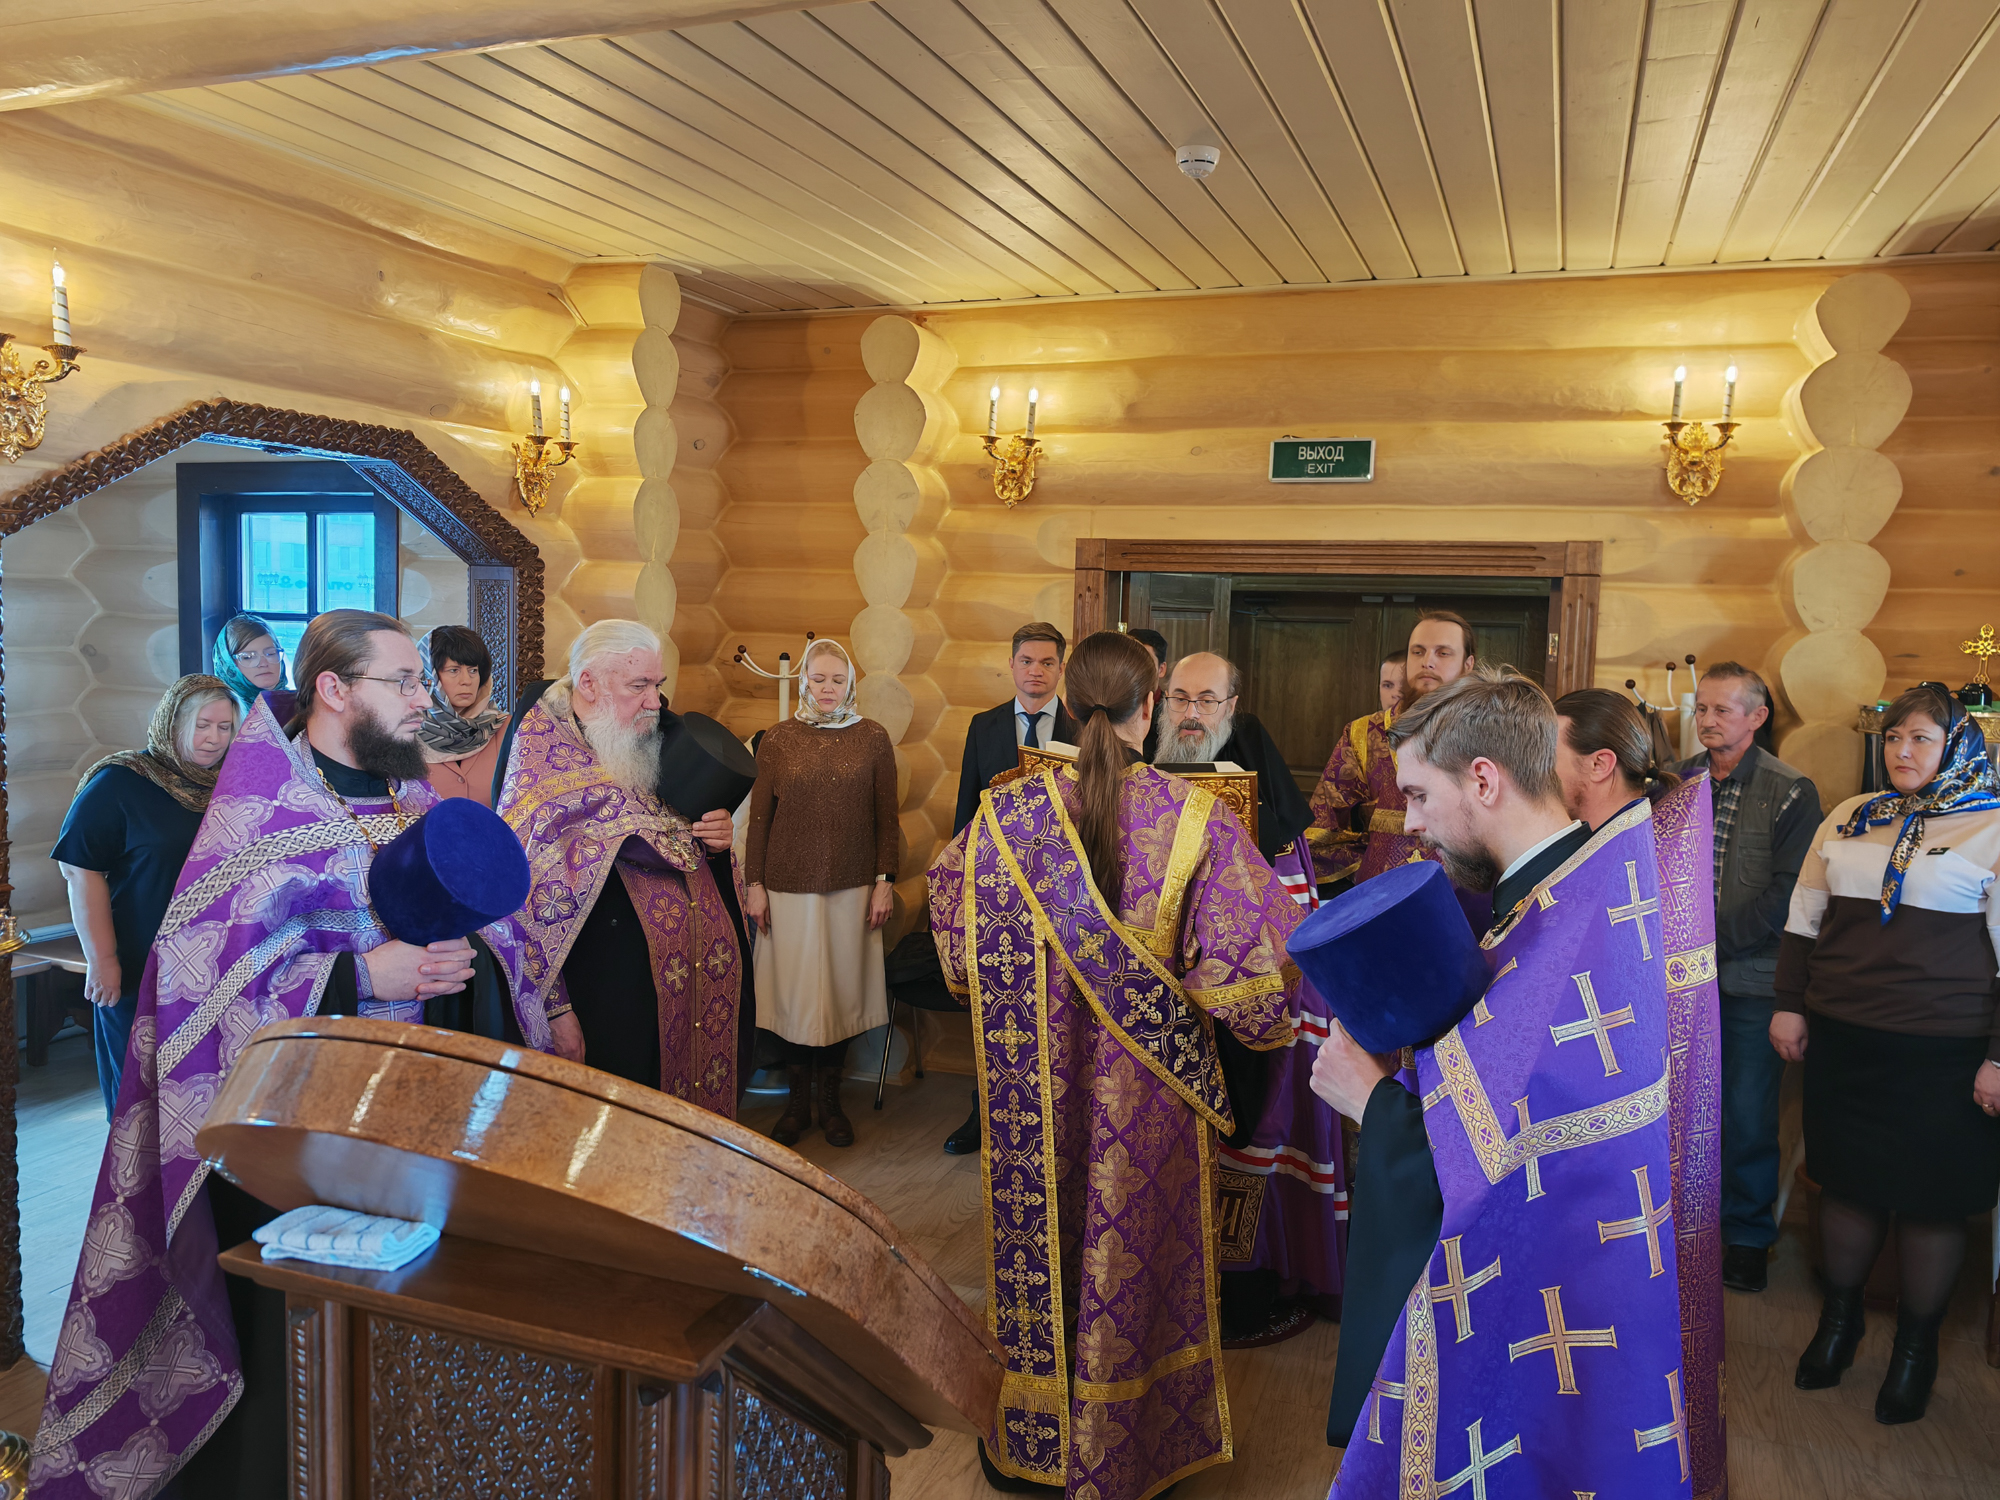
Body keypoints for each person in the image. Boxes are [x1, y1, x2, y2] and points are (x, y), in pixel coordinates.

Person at [32, 610, 550, 1499]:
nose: (425, 700)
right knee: (294, 1355)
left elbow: (486, 930)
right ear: (334, 689)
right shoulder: (260, 810)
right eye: (405, 681)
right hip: (287, 1137)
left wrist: (465, 963)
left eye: (424, 681)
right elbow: (199, 980)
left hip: (413, 1120)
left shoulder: (411, 797)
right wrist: (359, 976)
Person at [929, 631, 1303, 1499]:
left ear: (1069, 701)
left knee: (1038, 1250)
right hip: (1149, 1101)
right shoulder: (1194, 819)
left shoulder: (1003, 814)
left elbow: (955, 948)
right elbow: (1257, 980)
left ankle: (1036, 1439)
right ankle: (1128, 1444)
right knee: (1132, 1258)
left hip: (1027, 1095)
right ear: (1151, 706)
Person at [1312, 668, 1689, 1498]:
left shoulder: (1575, 929)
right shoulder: (1565, 892)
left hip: (1560, 1302)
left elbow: (1512, 1171)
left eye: (1418, 794)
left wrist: (1369, 1099)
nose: (1410, 824)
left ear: (1483, 779)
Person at [1774, 686, 2000, 1424]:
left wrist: (1999, 1058)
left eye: (1921, 739)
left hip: (1945, 1051)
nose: (1902, 751)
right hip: (1846, 1039)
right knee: (1845, 1185)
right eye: (1894, 737)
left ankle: (1914, 1351)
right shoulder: (1851, 814)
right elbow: (1804, 918)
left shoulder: (1993, 825)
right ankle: (1838, 1326)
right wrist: (1789, 1002)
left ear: (1957, 746)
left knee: (1931, 1202)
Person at [1557, 686, 1725, 1497]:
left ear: (1599, 764)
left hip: (1630, 1124)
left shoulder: (1639, 852)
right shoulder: (1608, 838)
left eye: (1547, 750)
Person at [1156, 651, 1341, 1343]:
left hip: (1243, 1018)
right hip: (1161, 1016)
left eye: (1206, 699)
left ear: (1232, 707)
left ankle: (1243, 1291)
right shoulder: (1142, 789)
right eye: (1179, 698)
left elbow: (1288, 932)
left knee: (1248, 1139)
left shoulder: (1265, 812)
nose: (1191, 713)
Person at [500, 618, 745, 1111]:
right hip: (608, 998)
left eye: (658, 684)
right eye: (639, 686)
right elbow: (517, 907)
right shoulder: (540, 763)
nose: (655, 702)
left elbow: (689, 840)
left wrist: (717, 841)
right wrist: (555, 1011)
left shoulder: (655, 738)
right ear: (589, 683)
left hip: (691, 992)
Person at [1676, 661, 1816, 1293]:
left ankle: (1747, 1237)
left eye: (1722, 710)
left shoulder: (1791, 791)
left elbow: (1790, 895)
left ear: (1757, 717)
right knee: (1681, 1107)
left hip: (1752, 980)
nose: (1707, 720)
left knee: (1746, 1113)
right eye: (1701, 709)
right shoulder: (1678, 782)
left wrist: (1711, 942)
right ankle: (1682, 1227)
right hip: (1680, 980)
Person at [54, 675, 237, 1118]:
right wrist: (103, 960)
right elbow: (79, 869)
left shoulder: (231, 783)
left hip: (214, 961)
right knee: (140, 1096)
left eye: (225, 727)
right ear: (173, 723)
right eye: (202, 725)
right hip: (140, 962)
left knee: (204, 1093)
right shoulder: (121, 781)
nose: (214, 739)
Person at [744, 639, 897, 1148]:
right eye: (818, 678)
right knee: (793, 997)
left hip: (853, 889)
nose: (827, 688)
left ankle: (830, 1104)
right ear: (803, 681)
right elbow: (759, 820)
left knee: (839, 996)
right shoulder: (779, 739)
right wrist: (754, 885)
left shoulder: (873, 737)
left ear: (850, 682)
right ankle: (796, 1106)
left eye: (837, 679)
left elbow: (887, 819)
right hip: (785, 888)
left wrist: (885, 882)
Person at [943, 621, 1078, 1155]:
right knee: (994, 1007)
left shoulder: (1082, 727)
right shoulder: (985, 726)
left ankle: (1054, 1121)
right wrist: (962, 880)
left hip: (1063, 894)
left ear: (1061, 668)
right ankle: (983, 1113)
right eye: (1027, 661)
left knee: (1053, 1010)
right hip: (995, 893)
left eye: (1046, 662)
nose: (1035, 671)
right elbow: (966, 807)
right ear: (1012, 664)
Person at [1306, 610, 1477, 887]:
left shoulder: (1490, 733)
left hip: (1465, 896)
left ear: (1468, 664)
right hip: (1381, 896)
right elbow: (1324, 829)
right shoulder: (1363, 734)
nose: (1428, 661)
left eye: (1443, 653)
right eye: (1418, 652)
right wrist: (1367, 870)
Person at [416, 623, 507, 806]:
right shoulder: (404, 732)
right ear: (428, 676)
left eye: (473, 671)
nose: (466, 681)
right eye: (454, 670)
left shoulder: (505, 728)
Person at [210, 612, 287, 711]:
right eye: (248, 657)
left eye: (271, 653)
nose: (263, 663)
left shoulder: (299, 706)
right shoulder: (216, 713)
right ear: (228, 665)